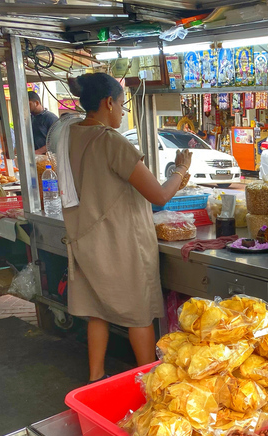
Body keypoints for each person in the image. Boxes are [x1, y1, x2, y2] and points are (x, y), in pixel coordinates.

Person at [65, 73, 192, 382]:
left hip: (87, 240)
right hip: (119, 242)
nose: (122, 113)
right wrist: (181, 169)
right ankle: (149, 383)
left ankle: (95, 379)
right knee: (139, 314)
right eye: (122, 105)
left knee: (99, 311)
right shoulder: (109, 140)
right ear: (108, 103)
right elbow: (159, 195)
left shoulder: (69, 134)